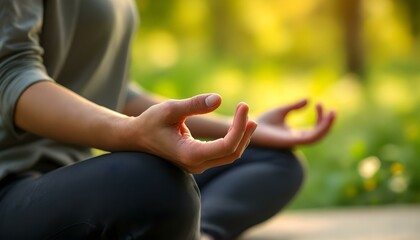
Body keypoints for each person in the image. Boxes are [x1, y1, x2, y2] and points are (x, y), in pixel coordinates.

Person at [0, 0, 336, 239]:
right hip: (9, 187)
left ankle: (202, 234)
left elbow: (115, 91)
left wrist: (247, 131)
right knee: (151, 183)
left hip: (64, 177)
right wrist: (131, 133)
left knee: (273, 161)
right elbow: (11, 77)